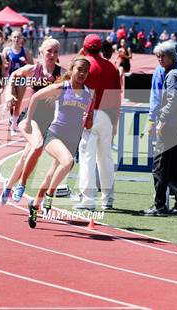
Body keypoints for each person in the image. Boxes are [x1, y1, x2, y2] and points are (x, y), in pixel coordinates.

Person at [25, 56, 92, 228]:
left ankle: (34, 205)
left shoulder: (88, 94)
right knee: (67, 161)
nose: (82, 73)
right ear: (72, 70)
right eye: (79, 70)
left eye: (86, 71)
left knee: (50, 175)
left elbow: (88, 124)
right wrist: (28, 122)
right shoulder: (63, 87)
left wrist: (88, 119)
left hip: (72, 140)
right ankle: (49, 196)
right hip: (54, 135)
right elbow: (35, 98)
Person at [0, 38, 63, 205]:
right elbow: (13, 75)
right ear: (41, 51)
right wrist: (9, 95)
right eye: (49, 51)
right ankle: (22, 184)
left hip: (48, 121)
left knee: (27, 155)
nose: (52, 54)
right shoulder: (33, 69)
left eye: (55, 51)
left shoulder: (61, 74)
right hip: (29, 117)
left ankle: (8, 186)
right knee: (37, 145)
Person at [73, 34, 121, 211]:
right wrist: (115, 122)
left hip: (90, 114)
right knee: (106, 158)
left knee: (87, 158)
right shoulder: (112, 67)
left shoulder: (84, 66)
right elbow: (116, 97)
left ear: (85, 48)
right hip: (108, 116)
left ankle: (87, 200)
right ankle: (108, 198)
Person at [143, 40, 177, 217]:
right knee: (175, 167)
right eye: (157, 56)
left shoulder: (172, 75)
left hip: (171, 127)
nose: (159, 60)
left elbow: (173, 99)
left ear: (171, 56)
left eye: (162, 56)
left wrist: (160, 120)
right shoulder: (176, 72)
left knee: (160, 166)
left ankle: (160, 205)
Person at [2, 30, 33, 134]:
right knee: (11, 101)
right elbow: (1, 64)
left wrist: (25, 61)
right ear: (11, 38)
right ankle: (11, 118)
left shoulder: (25, 51)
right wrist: (5, 65)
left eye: (18, 37)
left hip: (21, 79)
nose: (16, 39)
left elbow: (32, 66)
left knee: (18, 103)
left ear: (21, 39)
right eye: (14, 37)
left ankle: (13, 126)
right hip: (10, 78)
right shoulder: (6, 50)